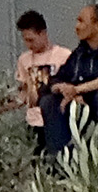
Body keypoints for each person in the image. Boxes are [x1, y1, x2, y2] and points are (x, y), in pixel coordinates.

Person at [45, 3, 98, 155]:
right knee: (49, 101)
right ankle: (60, 161)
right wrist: (65, 90)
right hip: (79, 106)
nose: (76, 26)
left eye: (81, 21)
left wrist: (77, 89)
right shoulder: (79, 54)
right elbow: (57, 78)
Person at [14, 10, 69, 160]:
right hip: (33, 119)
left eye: (31, 40)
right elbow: (23, 92)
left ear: (43, 33)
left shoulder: (63, 56)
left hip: (56, 118)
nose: (28, 45)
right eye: (25, 40)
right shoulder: (24, 60)